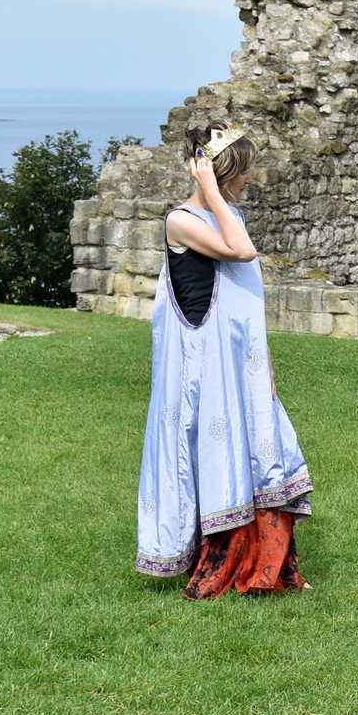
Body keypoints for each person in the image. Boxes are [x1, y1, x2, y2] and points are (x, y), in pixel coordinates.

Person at [135, 122, 313, 599]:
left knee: (265, 448)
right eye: (245, 171)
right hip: (205, 366)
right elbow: (242, 252)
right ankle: (221, 560)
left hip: (242, 362)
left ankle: (267, 564)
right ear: (220, 172)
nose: (252, 180)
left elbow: (245, 300)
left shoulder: (227, 213)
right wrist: (211, 192)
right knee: (220, 452)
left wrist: (267, 364)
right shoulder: (182, 220)